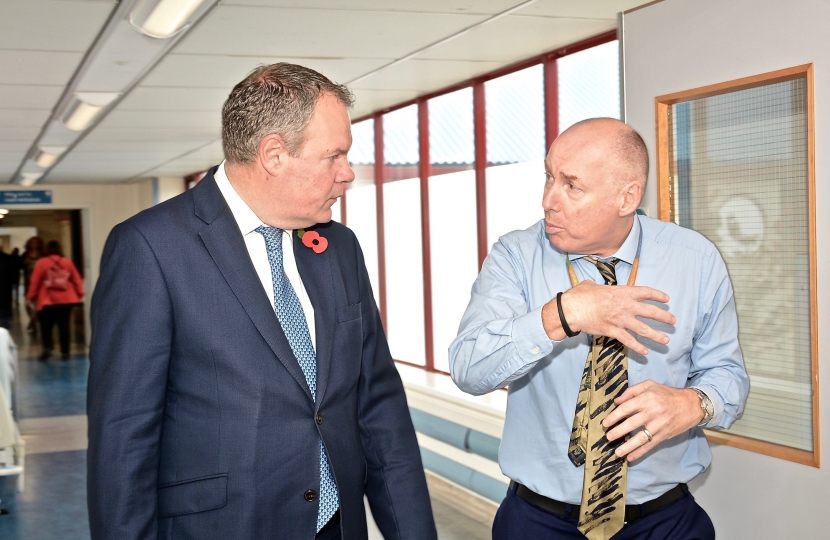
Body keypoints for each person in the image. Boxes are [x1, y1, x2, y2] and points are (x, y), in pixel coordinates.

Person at [87, 63, 436, 540]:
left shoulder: (339, 248)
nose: (348, 173)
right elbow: (123, 437)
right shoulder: (151, 247)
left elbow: (378, 407)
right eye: (334, 156)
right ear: (274, 154)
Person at [450, 118, 749, 540]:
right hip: (539, 522)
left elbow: (728, 375)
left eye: (572, 186)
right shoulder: (515, 256)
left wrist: (694, 403)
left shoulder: (694, 259)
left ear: (627, 197)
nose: (548, 200)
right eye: (549, 177)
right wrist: (561, 315)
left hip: (665, 522)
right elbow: (468, 368)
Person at [26, 240, 84, 360]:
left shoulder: (42, 262)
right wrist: (80, 293)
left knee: (45, 326)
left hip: (47, 299)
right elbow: (76, 278)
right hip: (66, 299)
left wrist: (30, 297)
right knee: (64, 326)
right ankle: (65, 352)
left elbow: (35, 281)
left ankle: (48, 349)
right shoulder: (67, 262)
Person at [21, 237, 43, 333]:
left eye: (36, 243)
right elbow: (19, 265)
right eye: (32, 243)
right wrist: (25, 261)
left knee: (39, 303)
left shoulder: (43, 254)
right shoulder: (25, 254)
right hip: (28, 281)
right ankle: (32, 320)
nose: (34, 245)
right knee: (28, 304)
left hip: (41, 283)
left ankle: (35, 320)